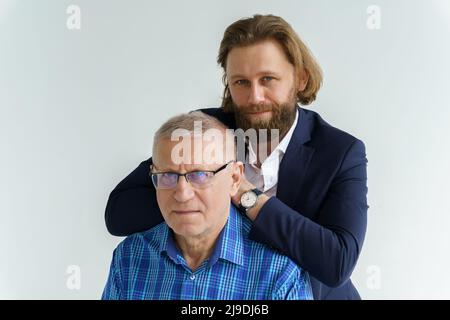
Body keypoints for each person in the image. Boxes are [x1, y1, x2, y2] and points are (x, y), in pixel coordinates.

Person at [104, 14, 368, 300]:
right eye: (241, 82)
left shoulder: (340, 151)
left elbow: (337, 262)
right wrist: (198, 184)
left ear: (300, 78)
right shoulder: (208, 130)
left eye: (268, 79)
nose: (254, 96)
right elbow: (119, 215)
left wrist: (241, 192)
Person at [102, 112, 313, 300]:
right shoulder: (130, 257)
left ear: (234, 178)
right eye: (168, 175)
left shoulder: (279, 272)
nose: (182, 194)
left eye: (200, 175)